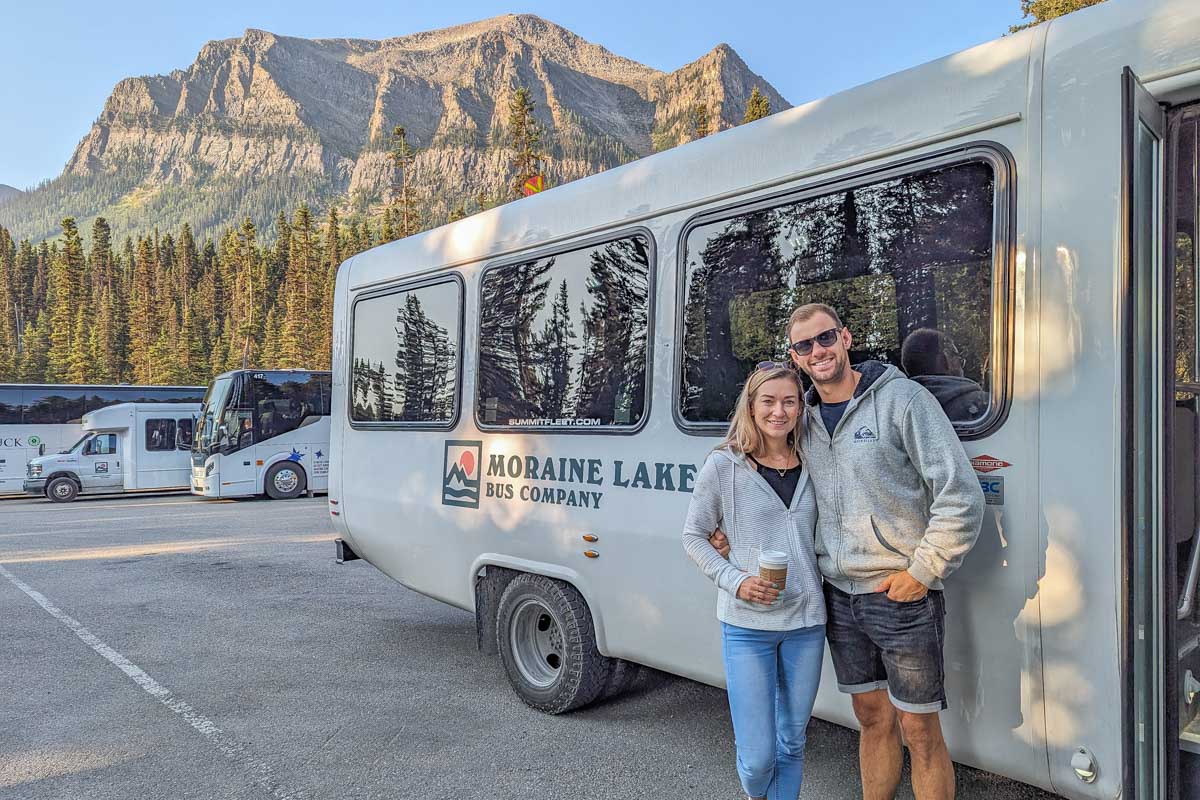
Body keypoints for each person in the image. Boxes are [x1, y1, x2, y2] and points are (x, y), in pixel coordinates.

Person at [712, 304, 984, 800]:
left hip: (900, 595)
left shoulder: (903, 400)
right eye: (803, 346)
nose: (817, 352)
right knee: (871, 717)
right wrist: (722, 531)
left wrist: (923, 571)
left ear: (846, 337)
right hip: (837, 595)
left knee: (919, 730)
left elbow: (961, 495)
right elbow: (756, 464)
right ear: (795, 357)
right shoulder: (803, 419)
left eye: (825, 339)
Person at [682, 363, 826, 800]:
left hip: (806, 624)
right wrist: (735, 580)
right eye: (768, 401)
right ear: (751, 405)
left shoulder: (816, 461)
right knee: (759, 755)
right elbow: (693, 536)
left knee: (792, 741)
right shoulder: (723, 466)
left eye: (789, 401)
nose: (779, 411)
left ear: (800, 408)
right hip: (747, 628)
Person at [900, 327, 989, 423]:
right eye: (956, 356)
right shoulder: (987, 405)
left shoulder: (901, 408)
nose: (961, 363)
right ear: (945, 359)